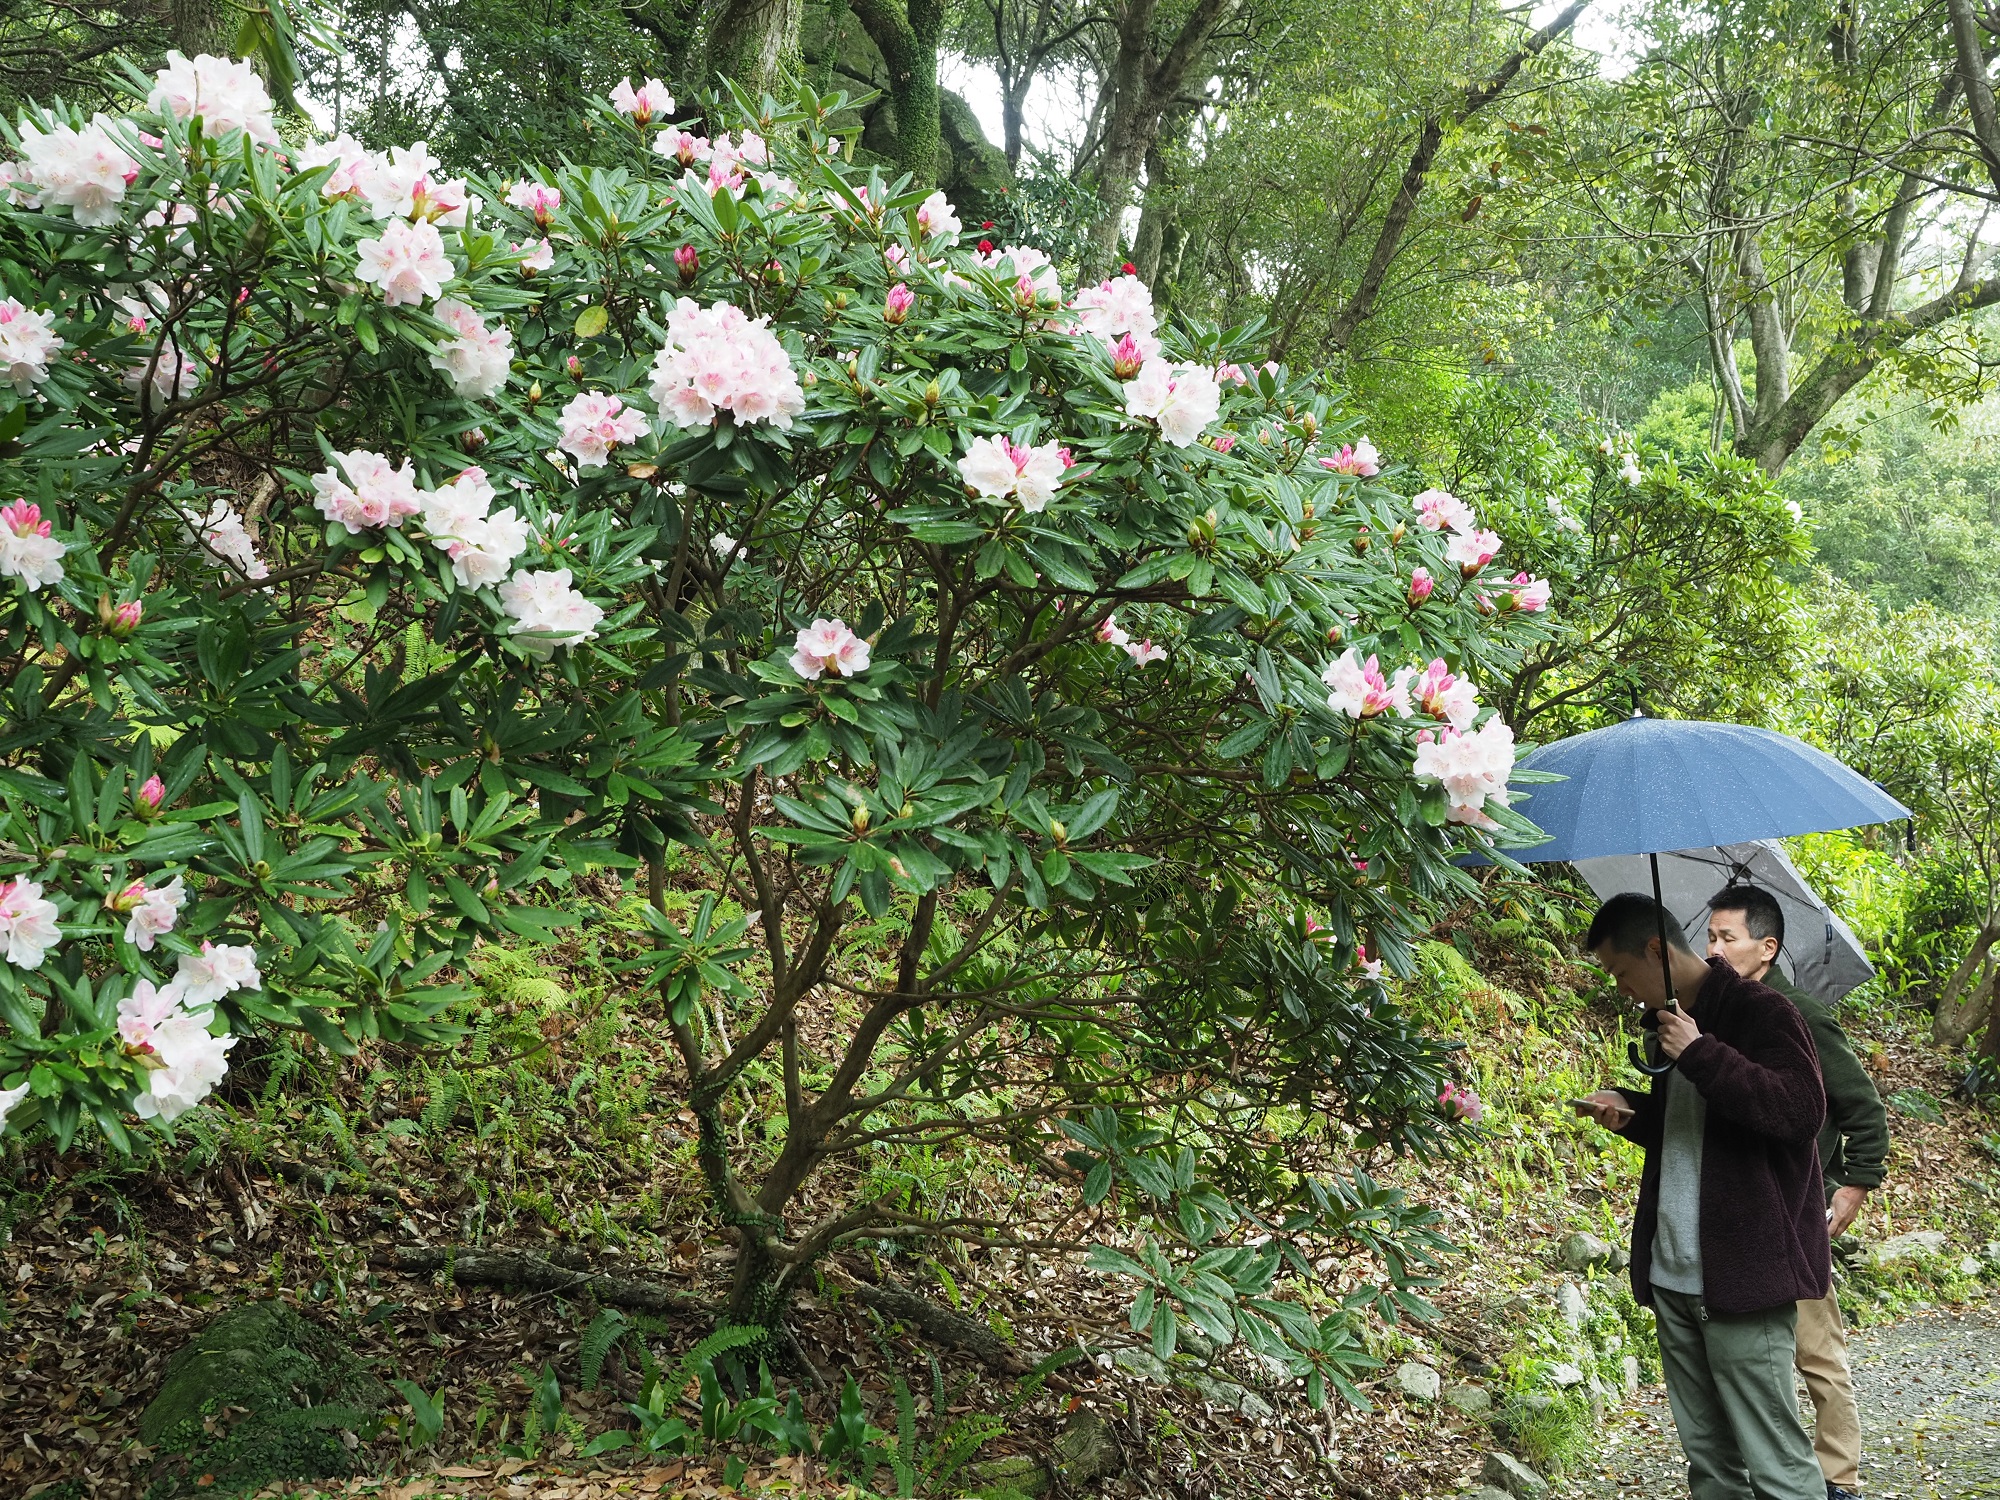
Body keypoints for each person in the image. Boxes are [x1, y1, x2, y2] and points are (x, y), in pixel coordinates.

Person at [1577, 892, 1830, 1500]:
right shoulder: (1669, 1024)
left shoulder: (1762, 1014)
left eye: (1621, 971)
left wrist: (1701, 1052)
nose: (1620, 987)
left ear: (1656, 951)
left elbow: (1799, 1113)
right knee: (1711, 1466)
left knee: (1776, 1463)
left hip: (1744, 1276)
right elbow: (1696, 1130)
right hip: (1675, 1275)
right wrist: (1632, 1112)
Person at [1707, 884, 1888, 1500]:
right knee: (1754, 1357)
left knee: (1815, 1349)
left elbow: (1862, 1108)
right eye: (1709, 936)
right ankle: (1774, 1473)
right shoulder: (1719, 1016)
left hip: (1797, 1207)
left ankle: (1838, 1478)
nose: (1714, 948)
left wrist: (1855, 1186)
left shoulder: (1801, 1015)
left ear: (1767, 947)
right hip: (1737, 1210)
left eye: (1727, 938)